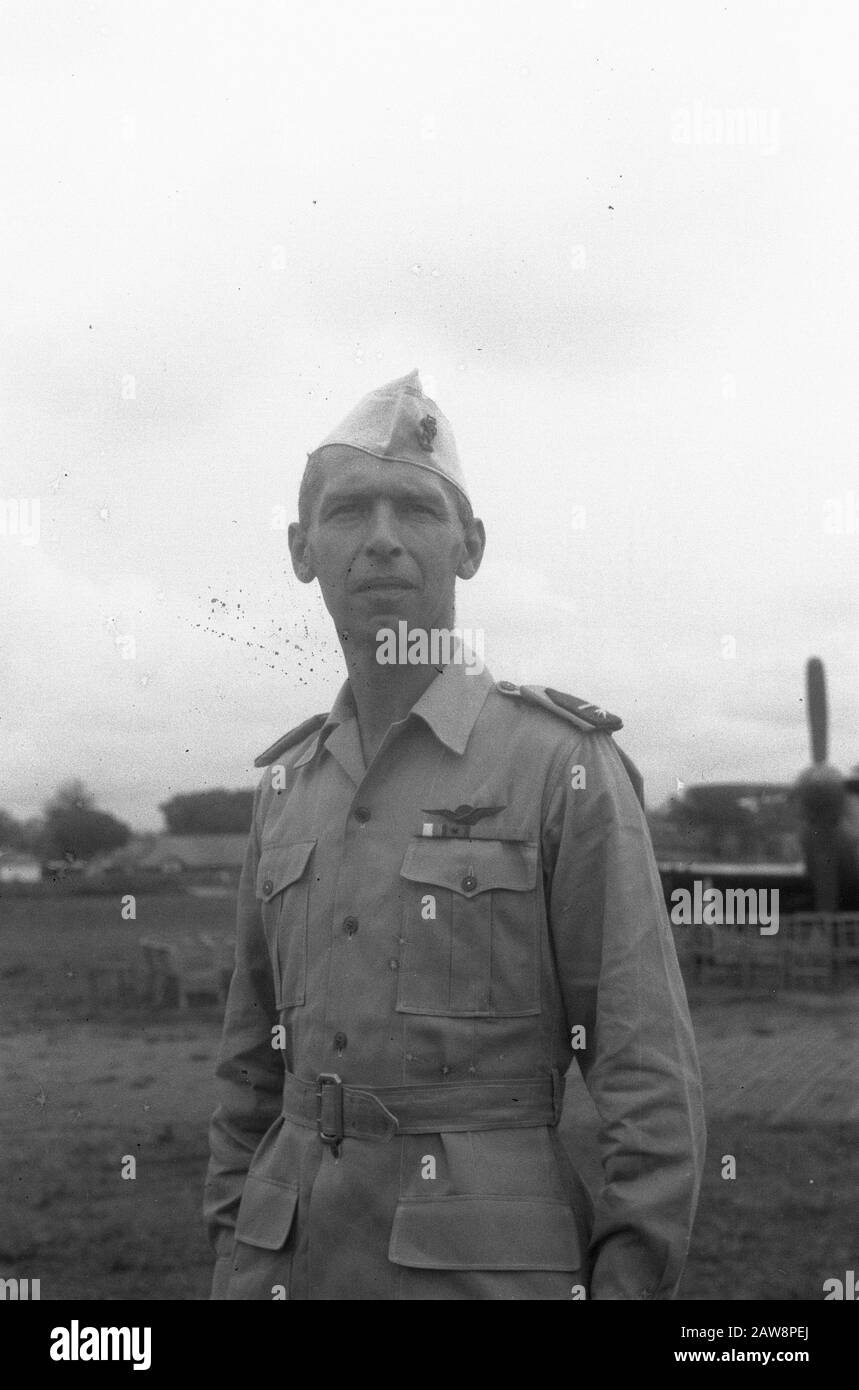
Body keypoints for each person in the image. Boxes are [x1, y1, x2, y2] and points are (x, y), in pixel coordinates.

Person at [203, 369, 706, 1300]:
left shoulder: (561, 767)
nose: (383, 539)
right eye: (350, 511)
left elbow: (646, 1072)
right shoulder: (286, 785)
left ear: (468, 545)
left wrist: (629, 1285)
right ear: (301, 549)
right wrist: (237, 1247)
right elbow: (248, 1073)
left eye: (418, 512)